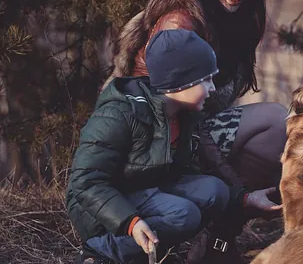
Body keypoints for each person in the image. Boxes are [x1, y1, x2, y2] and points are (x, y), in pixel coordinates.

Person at [105, 0, 287, 262]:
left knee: (281, 127)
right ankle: (202, 238)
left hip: (196, 126)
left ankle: (216, 244)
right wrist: (241, 192)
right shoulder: (180, 21)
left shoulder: (237, 15)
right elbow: (163, 114)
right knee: (275, 122)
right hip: (156, 140)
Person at [67, 29, 229, 264]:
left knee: (215, 191)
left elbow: (185, 172)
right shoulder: (120, 113)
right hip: (100, 208)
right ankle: (99, 252)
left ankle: (153, 251)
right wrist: (130, 221)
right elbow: (85, 182)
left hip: (145, 189)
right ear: (179, 82)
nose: (213, 88)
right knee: (184, 215)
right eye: (206, 79)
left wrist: (242, 198)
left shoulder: (182, 115)